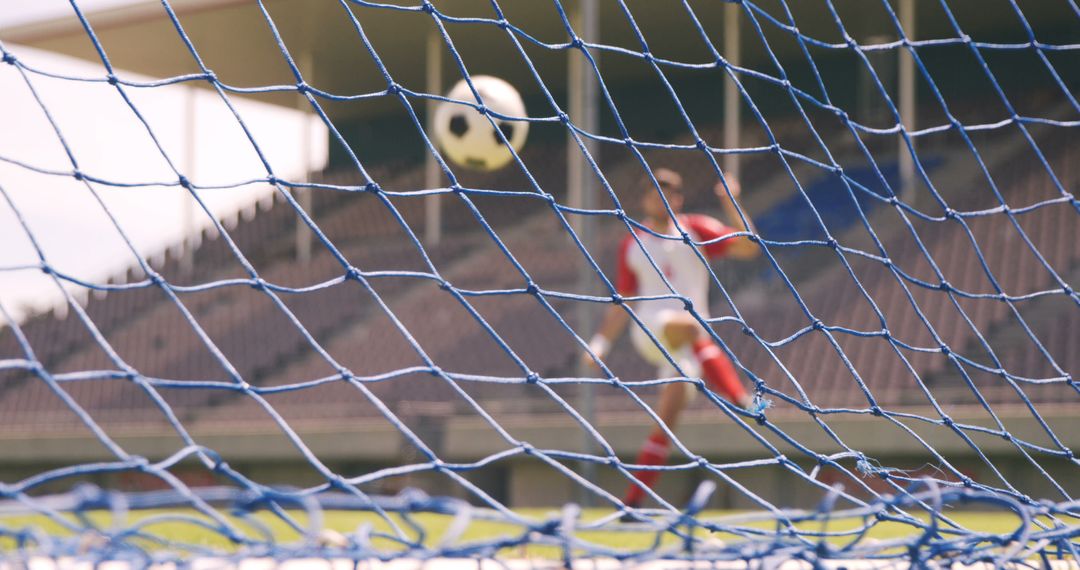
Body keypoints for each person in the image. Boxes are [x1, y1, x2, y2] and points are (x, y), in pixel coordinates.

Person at [583, 167, 760, 510]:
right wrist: (600, 343)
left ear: (678, 198)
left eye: (669, 189)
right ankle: (741, 399)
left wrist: (732, 202)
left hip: (689, 347)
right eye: (653, 189)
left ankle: (631, 505)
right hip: (652, 330)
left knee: (665, 424)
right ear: (644, 197)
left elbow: (749, 248)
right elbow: (624, 302)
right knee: (691, 325)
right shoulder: (633, 244)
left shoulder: (696, 230)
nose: (660, 195)